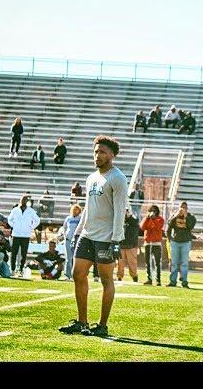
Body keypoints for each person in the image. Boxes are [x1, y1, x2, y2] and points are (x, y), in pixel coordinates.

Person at [59, 135, 127, 338]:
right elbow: (88, 209)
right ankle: (82, 322)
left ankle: (102, 325)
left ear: (112, 155)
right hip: (87, 235)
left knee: (106, 279)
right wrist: (78, 232)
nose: (97, 155)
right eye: (96, 151)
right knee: (77, 273)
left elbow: (120, 211)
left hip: (107, 238)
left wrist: (116, 240)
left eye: (102, 152)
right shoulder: (91, 178)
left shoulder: (117, 178)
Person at [7, 194, 41, 277]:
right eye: (22, 199)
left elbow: (37, 220)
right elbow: (9, 220)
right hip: (16, 234)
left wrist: (31, 227)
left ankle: (21, 270)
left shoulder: (31, 210)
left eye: (25, 200)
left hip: (26, 235)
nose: (23, 201)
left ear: (27, 201)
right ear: (20, 200)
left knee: (23, 254)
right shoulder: (15, 210)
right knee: (14, 253)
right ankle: (13, 270)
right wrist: (14, 226)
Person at [166, 201, 196, 288]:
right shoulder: (174, 215)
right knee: (174, 263)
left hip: (186, 242)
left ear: (187, 208)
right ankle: (172, 281)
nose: (182, 209)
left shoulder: (191, 217)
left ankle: (184, 281)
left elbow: (190, 226)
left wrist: (186, 217)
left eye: (184, 207)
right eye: (181, 207)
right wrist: (176, 216)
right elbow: (169, 224)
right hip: (175, 241)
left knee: (184, 263)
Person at [140, 205, 165, 286]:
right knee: (148, 262)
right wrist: (147, 218)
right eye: (151, 210)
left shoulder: (160, 219)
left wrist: (154, 219)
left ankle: (158, 280)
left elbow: (158, 227)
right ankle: (149, 279)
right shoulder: (146, 218)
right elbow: (142, 227)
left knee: (157, 262)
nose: (153, 212)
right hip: (148, 243)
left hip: (156, 243)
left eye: (154, 211)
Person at [60, 204, 82, 280]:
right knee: (68, 258)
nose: (75, 211)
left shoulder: (80, 218)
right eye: (74, 209)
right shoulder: (68, 218)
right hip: (68, 240)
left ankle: (74, 275)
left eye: (77, 209)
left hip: (77, 240)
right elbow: (64, 228)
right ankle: (67, 275)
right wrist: (65, 236)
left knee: (75, 258)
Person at [117, 209, 139, 282]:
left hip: (131, 245)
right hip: (121, 244)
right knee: (120, 262)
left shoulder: (133, 219)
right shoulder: (119, 220)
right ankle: (119, 276)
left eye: (126, 211)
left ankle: (134, 276)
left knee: (132, 262)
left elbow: (136, 223)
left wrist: (129, 217)